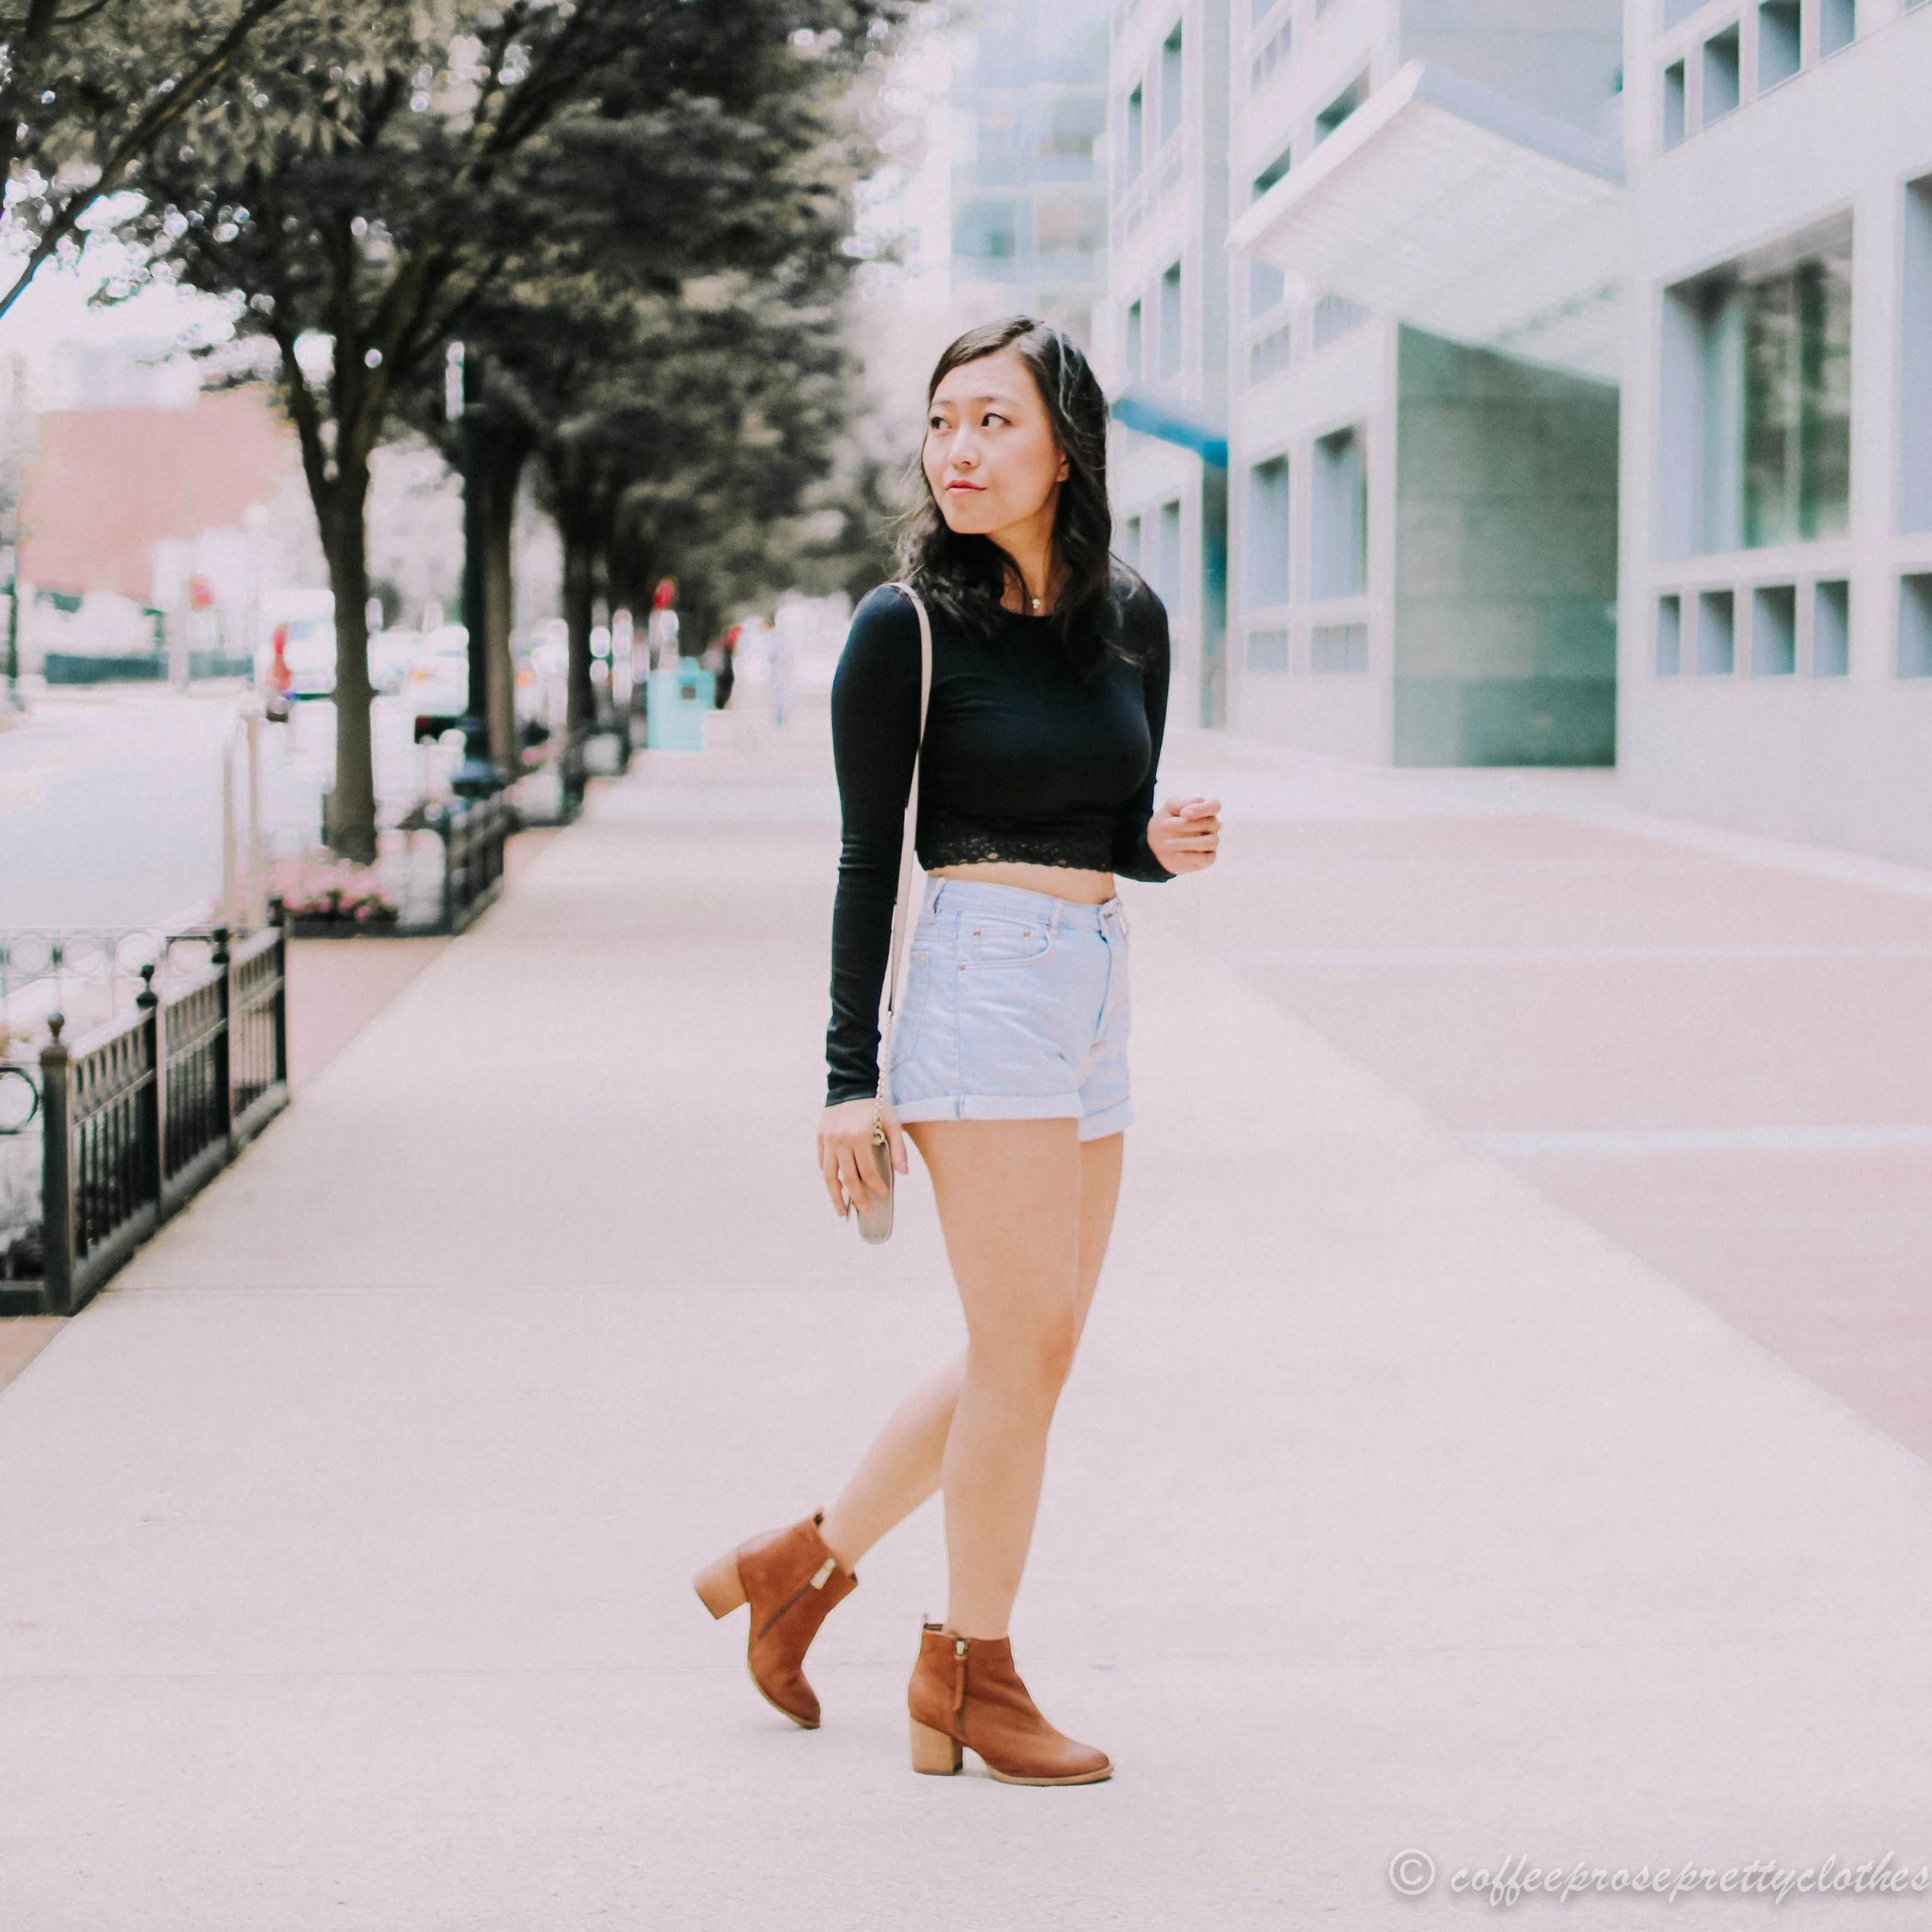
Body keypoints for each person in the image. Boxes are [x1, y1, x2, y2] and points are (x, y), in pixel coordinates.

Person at [692, 317, 1222, 1785]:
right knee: (1024, 1349)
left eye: (993, 421)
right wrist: (844, 1079)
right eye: (943, 423)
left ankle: (799, 1567)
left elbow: (1113, 821)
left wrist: (1160, 849)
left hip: (1098, 987)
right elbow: (871, 863)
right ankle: (966, 1674)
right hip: (978, 987)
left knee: (1030, 1350)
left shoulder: (1132, 617)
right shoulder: (902, 626)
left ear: (1066, 444)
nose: (960, 450)